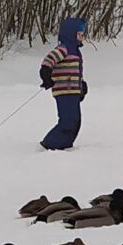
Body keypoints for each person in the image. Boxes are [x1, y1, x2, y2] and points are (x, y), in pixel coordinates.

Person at [38, 17, 87, 152]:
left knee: (76, 121)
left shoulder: (75, 52)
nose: (81, 38)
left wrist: (81, 86)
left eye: (82, 35)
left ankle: (64, 145)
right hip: (64, 91)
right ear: (70, 34)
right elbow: (49, 59)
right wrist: (46, 73)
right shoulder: (64, 48)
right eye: (79, 34)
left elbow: (75, 72)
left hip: (73, 92)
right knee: (68, 121)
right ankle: (50, 144)